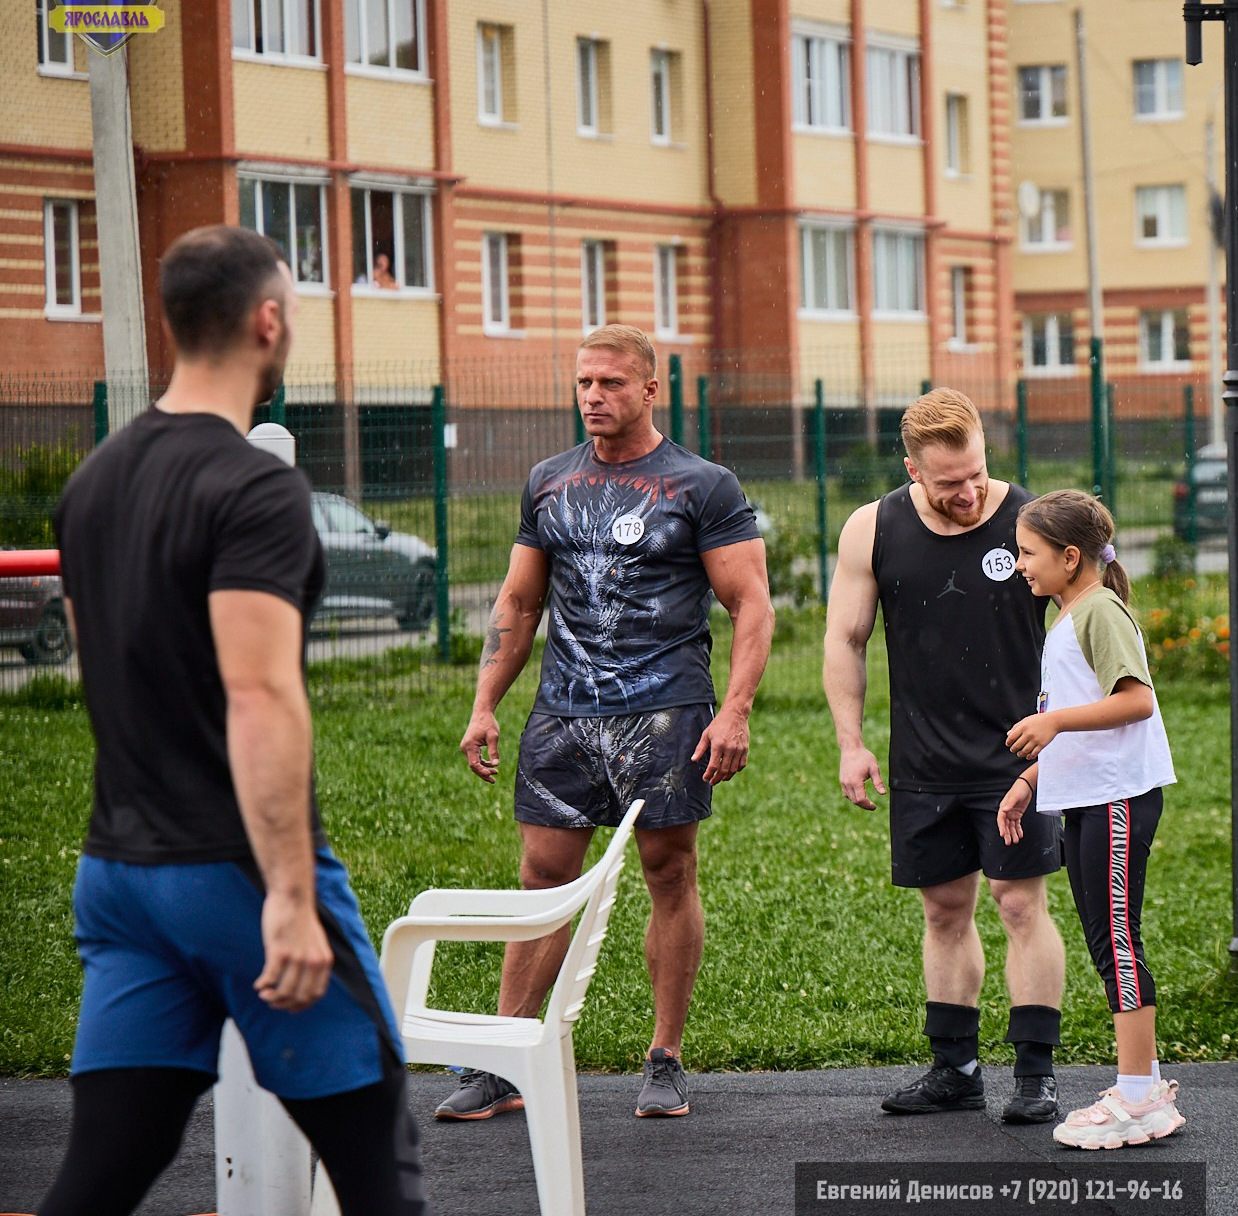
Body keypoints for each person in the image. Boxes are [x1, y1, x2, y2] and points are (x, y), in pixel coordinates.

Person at [38, 224, 427, 1215]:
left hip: (119, 877)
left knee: (107, 1165)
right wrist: (289, 896)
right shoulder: (256, 485)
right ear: (267, 321)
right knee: (379, 1160)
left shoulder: (92, 486)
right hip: (231, 876)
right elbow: (258, 695)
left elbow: (102, 676)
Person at [443, 323, 772, 1122]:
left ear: (650, 389)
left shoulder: (703, 484)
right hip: (563, 714)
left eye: (613, 383)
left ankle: (665, 1056)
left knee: (668, 871)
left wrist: (735, 709)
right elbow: (519, 603)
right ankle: (507, 1056)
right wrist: (486, 703)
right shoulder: (549, 481)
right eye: (585, 382)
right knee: (542, 877)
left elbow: (750, 602)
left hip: (665, 714)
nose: (594, 396)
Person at [823, 388, 1067, 1124]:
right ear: (912, 469)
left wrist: (1065, 730)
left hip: (1016, 756)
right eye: (948, 482)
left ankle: (1035, 1075)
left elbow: (1095, 622)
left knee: (1019, 901)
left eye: (976, 474)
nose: (968, 493)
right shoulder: (873, 527)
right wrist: (850, 742)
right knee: (945, 909)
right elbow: (845, 638)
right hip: (924, 760)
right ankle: (955, 1068)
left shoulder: (1033, 521)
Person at [997, 490, 1182, 1148]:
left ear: (1070, 556)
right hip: (1087, 798)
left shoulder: (1098, 610)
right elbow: (1086, 721)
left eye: (1028, 552)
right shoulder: (1073, 613)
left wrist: (1050, 721)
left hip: (1117, 799)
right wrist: (1029, 779)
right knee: (1110, 943)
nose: (1021, 564)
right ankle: (1145, 1087)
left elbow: (1135, 702)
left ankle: (1137, 1096)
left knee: (1118, 944)